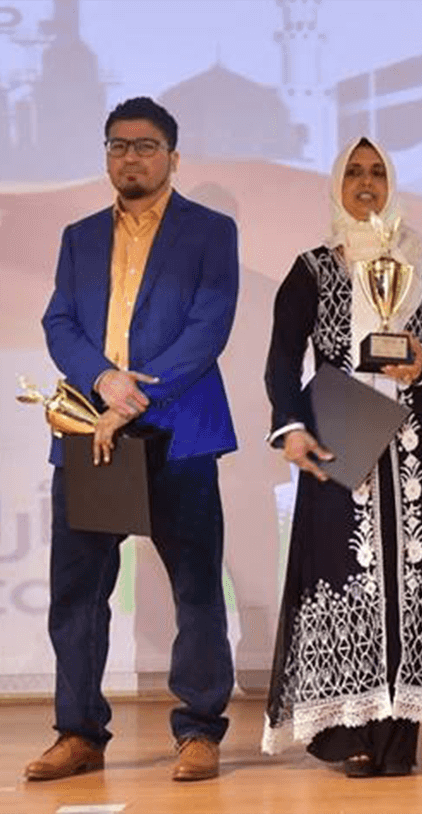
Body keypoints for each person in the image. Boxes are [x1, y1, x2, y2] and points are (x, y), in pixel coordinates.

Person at [27, 97, 239, 783]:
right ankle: (80, 732)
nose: (130, 157)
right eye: (118, 145)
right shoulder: (79, 236)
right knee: (78, 594)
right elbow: (60, 322)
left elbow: (208, 329)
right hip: (93, 435)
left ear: (172, 157)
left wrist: (135, 395)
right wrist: (102, 382)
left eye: (145, 146)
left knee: (198, 589)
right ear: (106, 155)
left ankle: (200, 730)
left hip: (179, 433)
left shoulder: (210, 231)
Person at [261, 137, 422, 777]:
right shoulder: (312, 266)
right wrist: (289, 425)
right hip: (339, 428)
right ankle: (343, 733)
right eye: (353, 171)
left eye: (378, 171)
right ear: (336, 182)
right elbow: (279, 359)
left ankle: (399, 738)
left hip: (414, 435)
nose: (366, 182)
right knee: (341, 572)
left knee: (412, 575)